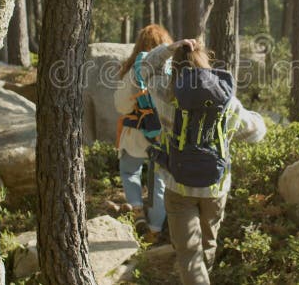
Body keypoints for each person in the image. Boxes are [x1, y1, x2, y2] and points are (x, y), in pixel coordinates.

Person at [139, 39, 266, 285]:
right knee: (208, 244)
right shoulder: (225, 101)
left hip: (178, 185)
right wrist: (254, 116)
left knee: (188, 253)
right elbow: (256, 133)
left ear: (174, 66)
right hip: (216, 187)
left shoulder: (164, 92)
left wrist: (169, 48)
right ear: (205, 61)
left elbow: (146, 68)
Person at [113, 24, 173, 243]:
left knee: (130, 171)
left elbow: (121, 106)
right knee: (160, 183)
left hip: (137, 134)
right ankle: (155, 230)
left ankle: (137, 210)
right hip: (164, 136)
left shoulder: (133, 69)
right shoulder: (173, 68)